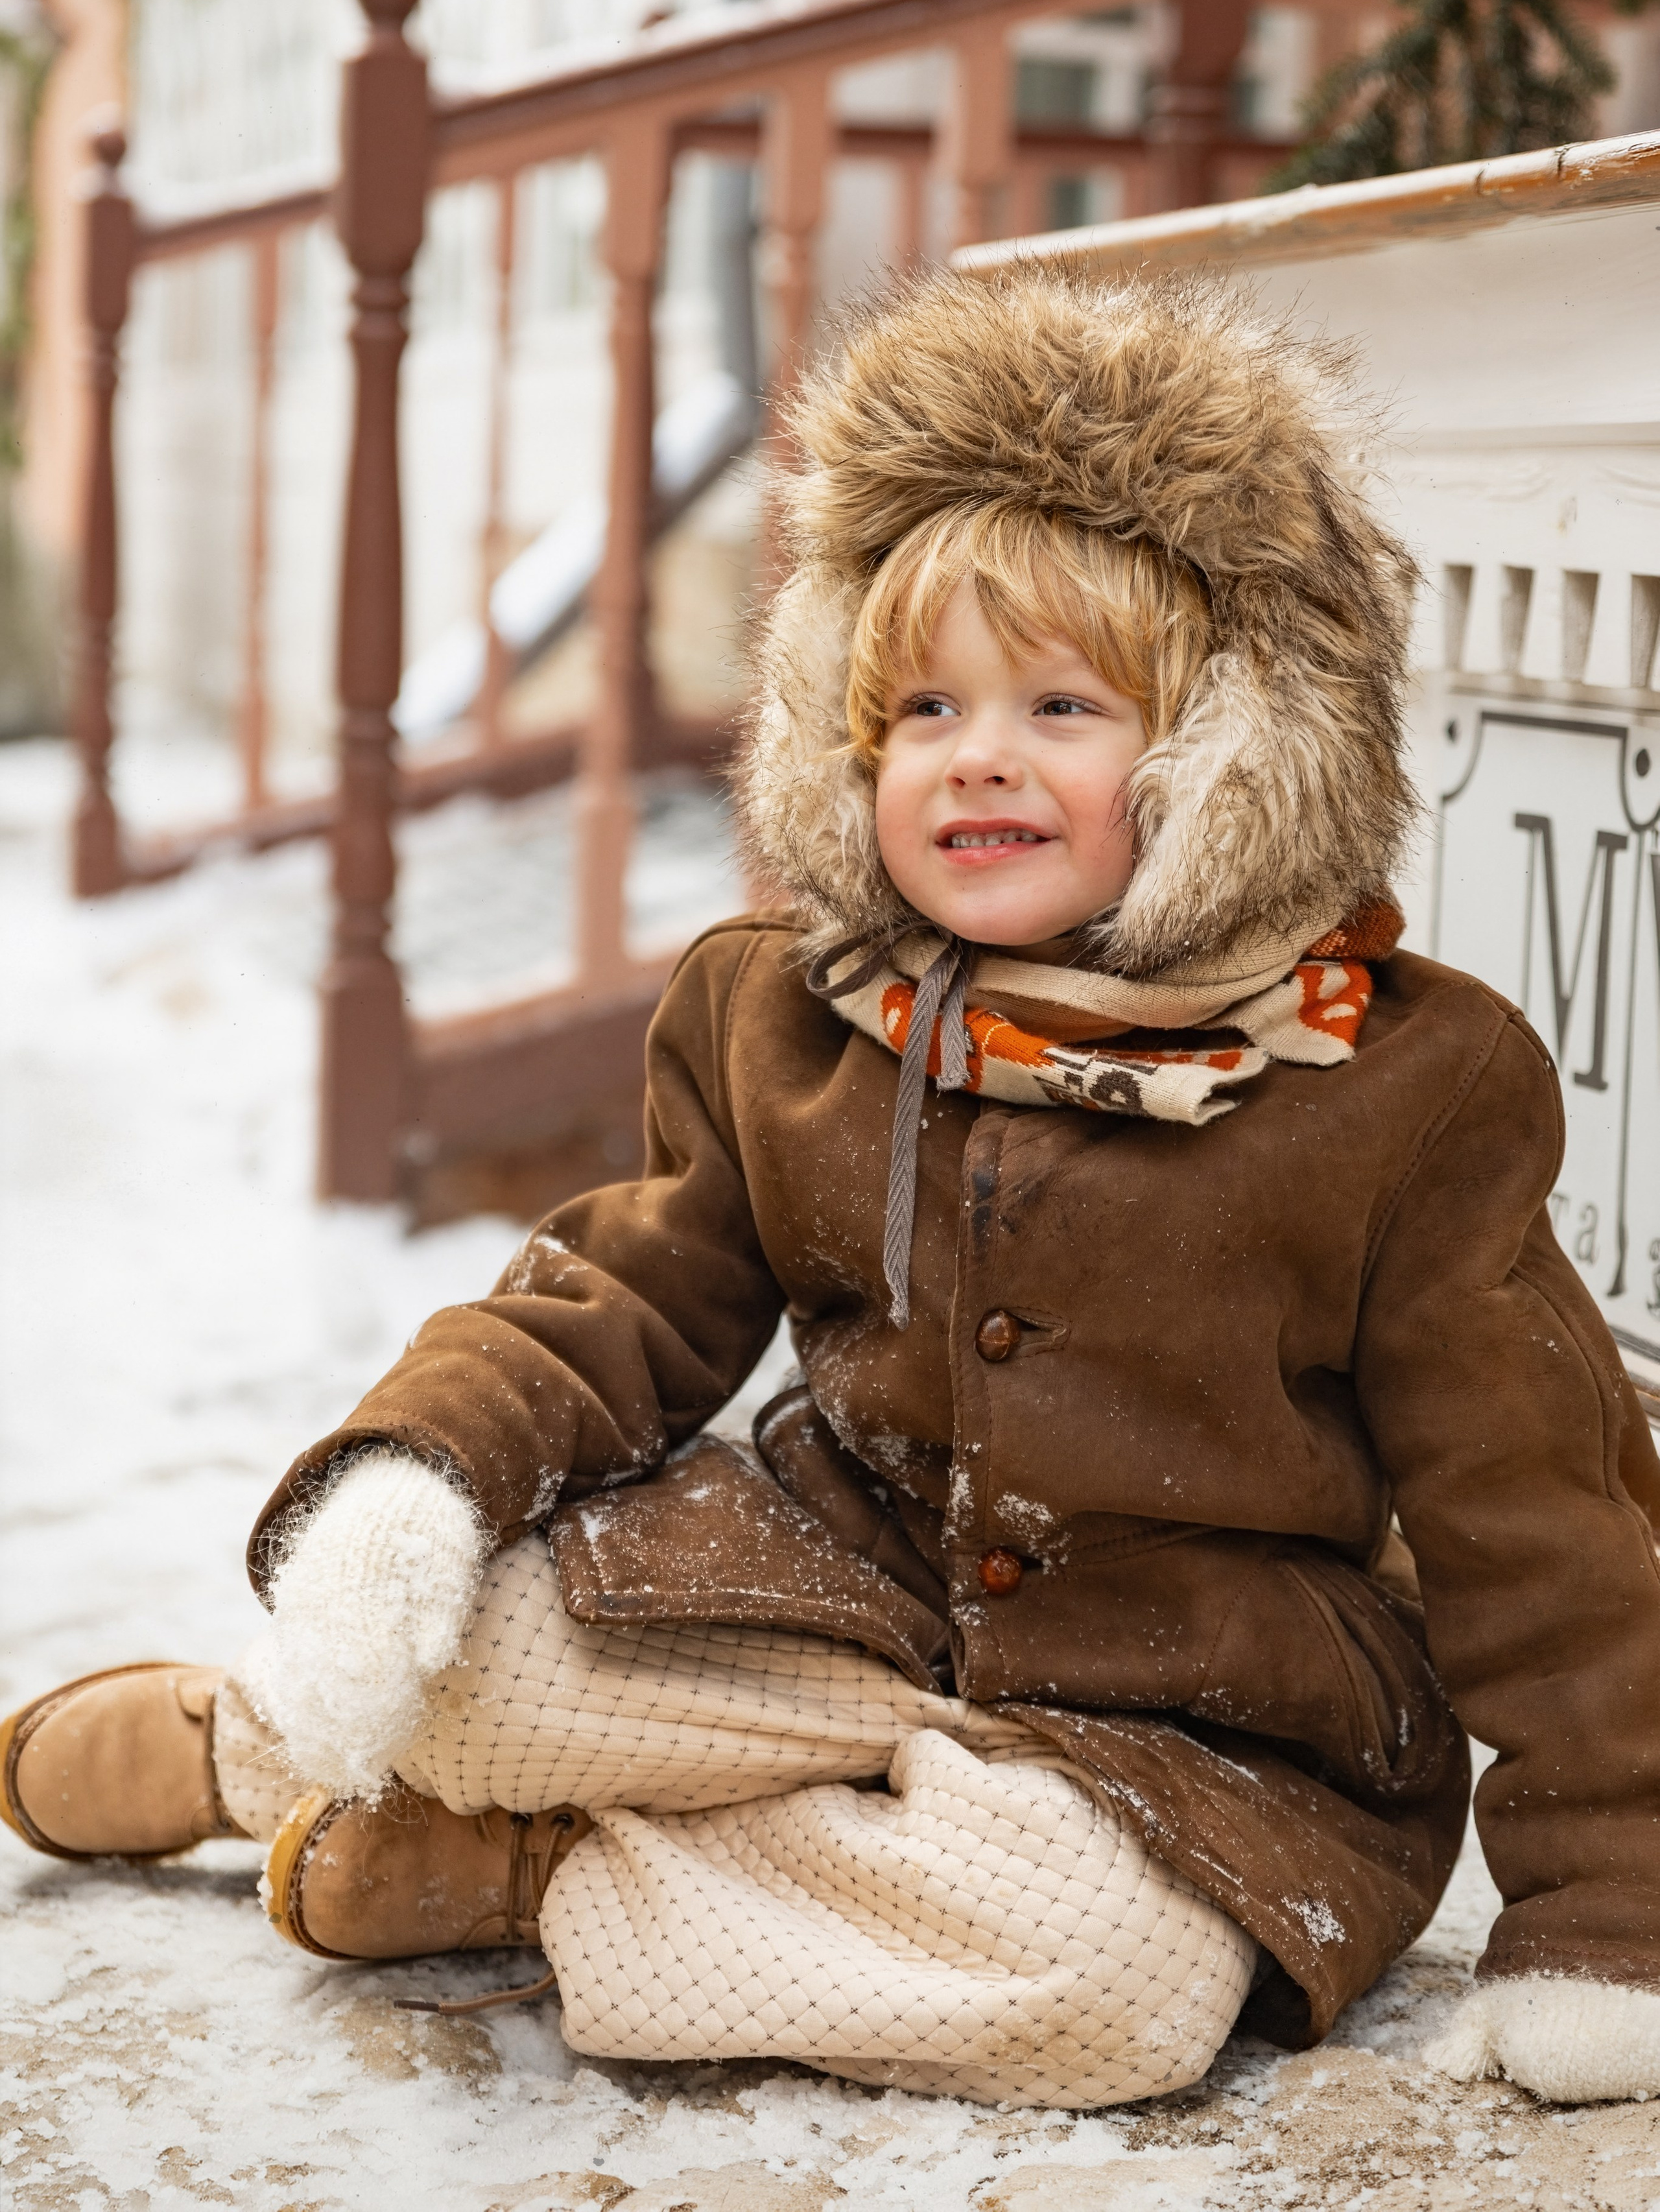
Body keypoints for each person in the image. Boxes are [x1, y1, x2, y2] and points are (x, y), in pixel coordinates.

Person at [7, 269, 1660, 2110]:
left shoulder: (1401, 1089)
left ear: (1226, 755)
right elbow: (622, 1294)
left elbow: (1543, 1521)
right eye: (927, 706)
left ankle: (529, 1876)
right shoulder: (784, 1017)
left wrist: (1612, 1908)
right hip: (843, 1602)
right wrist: (422, 1479)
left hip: (1194, 1726)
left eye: (1063, 705)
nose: (981, 756)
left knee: (1108, 1995)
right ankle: (252, 1747)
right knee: (479, 1647)